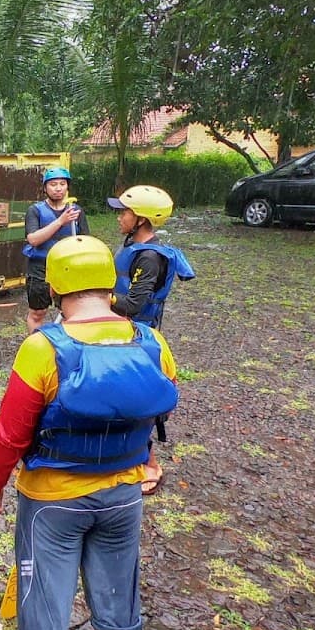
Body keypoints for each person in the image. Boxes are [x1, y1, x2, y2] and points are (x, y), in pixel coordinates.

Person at [0, 236, 179, 630]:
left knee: (43, 594)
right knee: (117, 589)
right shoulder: (152, 341)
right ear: (110, 283)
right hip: (122, 497)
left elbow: (9, 434)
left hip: (52, 502)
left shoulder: (42, 349)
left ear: (56, 287)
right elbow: (158, 405)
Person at [106, 185, 195, 495]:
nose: (119, 217)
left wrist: (97, 296)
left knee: (136, 400)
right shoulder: (133, 245)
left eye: (125, 212)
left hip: (139, 338)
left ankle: (151, 465)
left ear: (141, 219)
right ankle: (129, 456)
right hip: (122, 333)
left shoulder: (150, 258)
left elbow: (133, 305)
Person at [23, 167, 88, 332]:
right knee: (38, 312)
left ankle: (65, 345)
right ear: (45, 188)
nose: (58, 188)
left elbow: (85, 241)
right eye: (53, 184)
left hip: (67, 268)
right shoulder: (35, 211)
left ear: (67, 187)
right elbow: (33, 239)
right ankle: (35, 348)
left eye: (62, 184)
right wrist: (60, 221)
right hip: (40, 267)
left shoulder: (77, 212)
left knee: (70, 311)